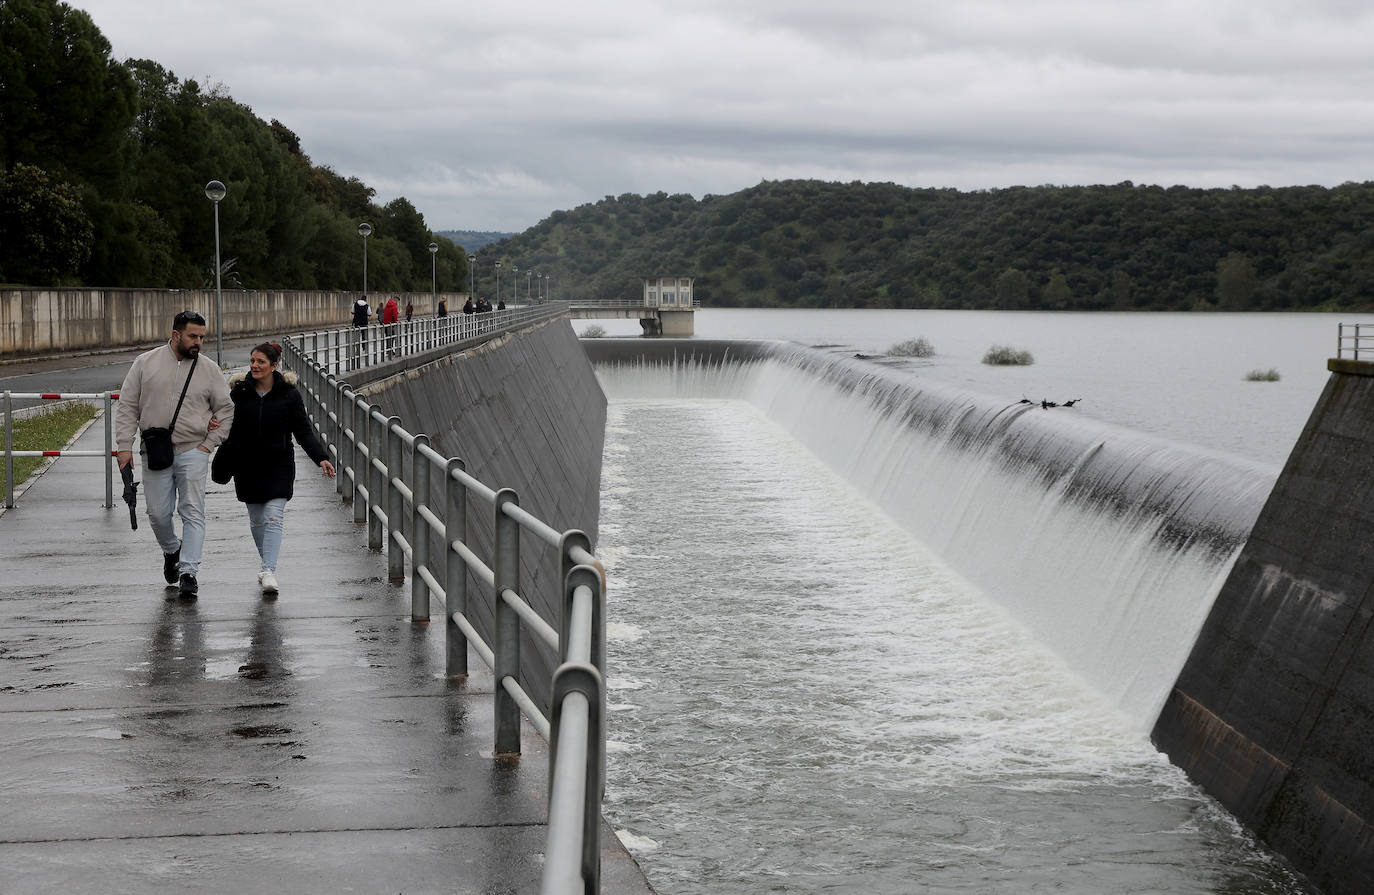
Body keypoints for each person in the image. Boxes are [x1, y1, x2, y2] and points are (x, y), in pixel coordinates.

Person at [115, 310, 234, 597]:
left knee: (192, 510)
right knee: (157, 513)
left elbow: (226, 409)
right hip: (154, 450)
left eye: (202, 337)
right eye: (193, 336)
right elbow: (128, 406)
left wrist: (209, 444)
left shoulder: (209, 369)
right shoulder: (145, 363)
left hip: (194, 449)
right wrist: (124, 446)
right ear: (176, 335)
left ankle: (189, 571)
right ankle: (172, 550)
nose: (198, 342)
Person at [220, 342, 335, 596]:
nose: (254, 366)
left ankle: (268, 569)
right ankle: (266, 566)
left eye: (260, 362)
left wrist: (321, 458)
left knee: (273, 516)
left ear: (274, 366)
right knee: (257, 520)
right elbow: (225, 424)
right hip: (247, 466)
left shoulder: (289, 395)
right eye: (252, 361)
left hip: (279, 466)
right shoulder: (239, 392)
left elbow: (303, 431)